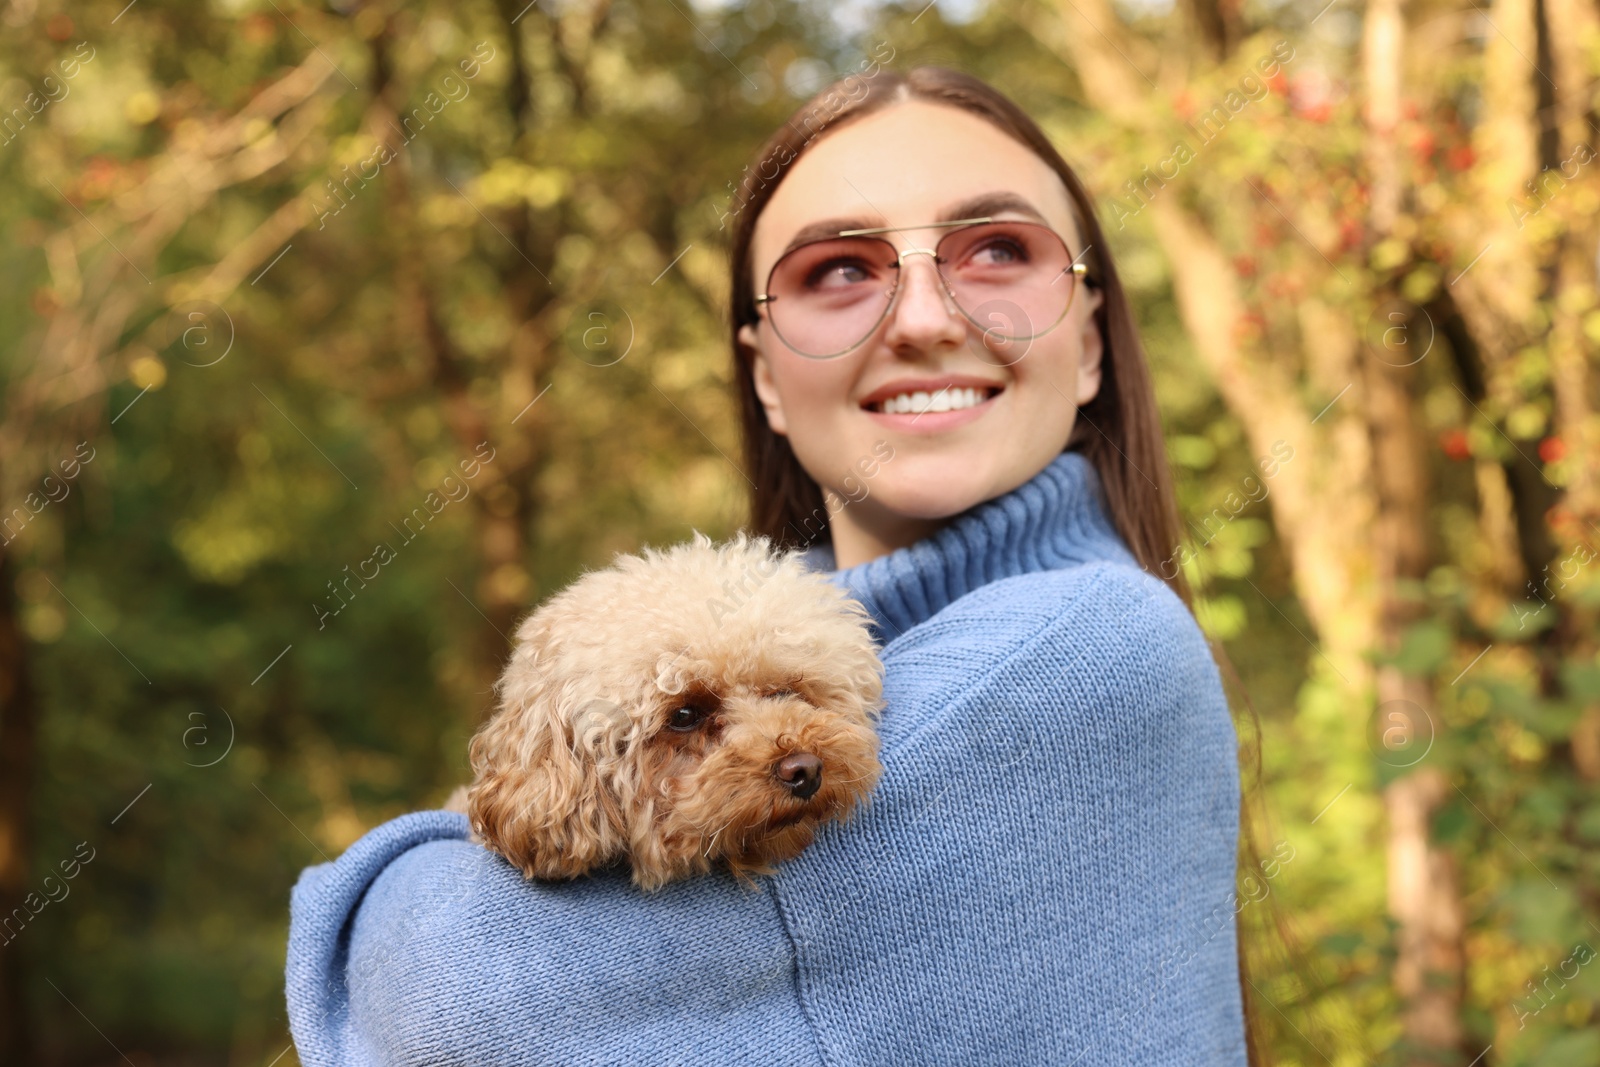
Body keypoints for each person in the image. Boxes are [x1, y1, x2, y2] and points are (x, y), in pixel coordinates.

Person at [286, 65, 1253, 1065]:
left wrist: (395, 876)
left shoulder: (1091, 644)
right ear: (764, 376)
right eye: (839, 268)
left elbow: (443, 998)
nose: (923, 320)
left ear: (1090, 341)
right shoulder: (801, 619)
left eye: (998, 249)